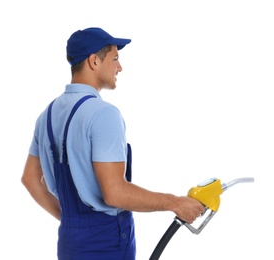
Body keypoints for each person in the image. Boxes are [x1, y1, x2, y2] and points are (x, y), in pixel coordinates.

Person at [21, 27, 205, 260]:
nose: (120, 67)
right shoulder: (103, 114)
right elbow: (115, 193)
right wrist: (176, 203)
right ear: (94, 62)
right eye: (115, 58)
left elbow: (30, 179)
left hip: (70, 242)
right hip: (106, 241)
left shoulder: (46, 115)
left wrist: (72, 221)